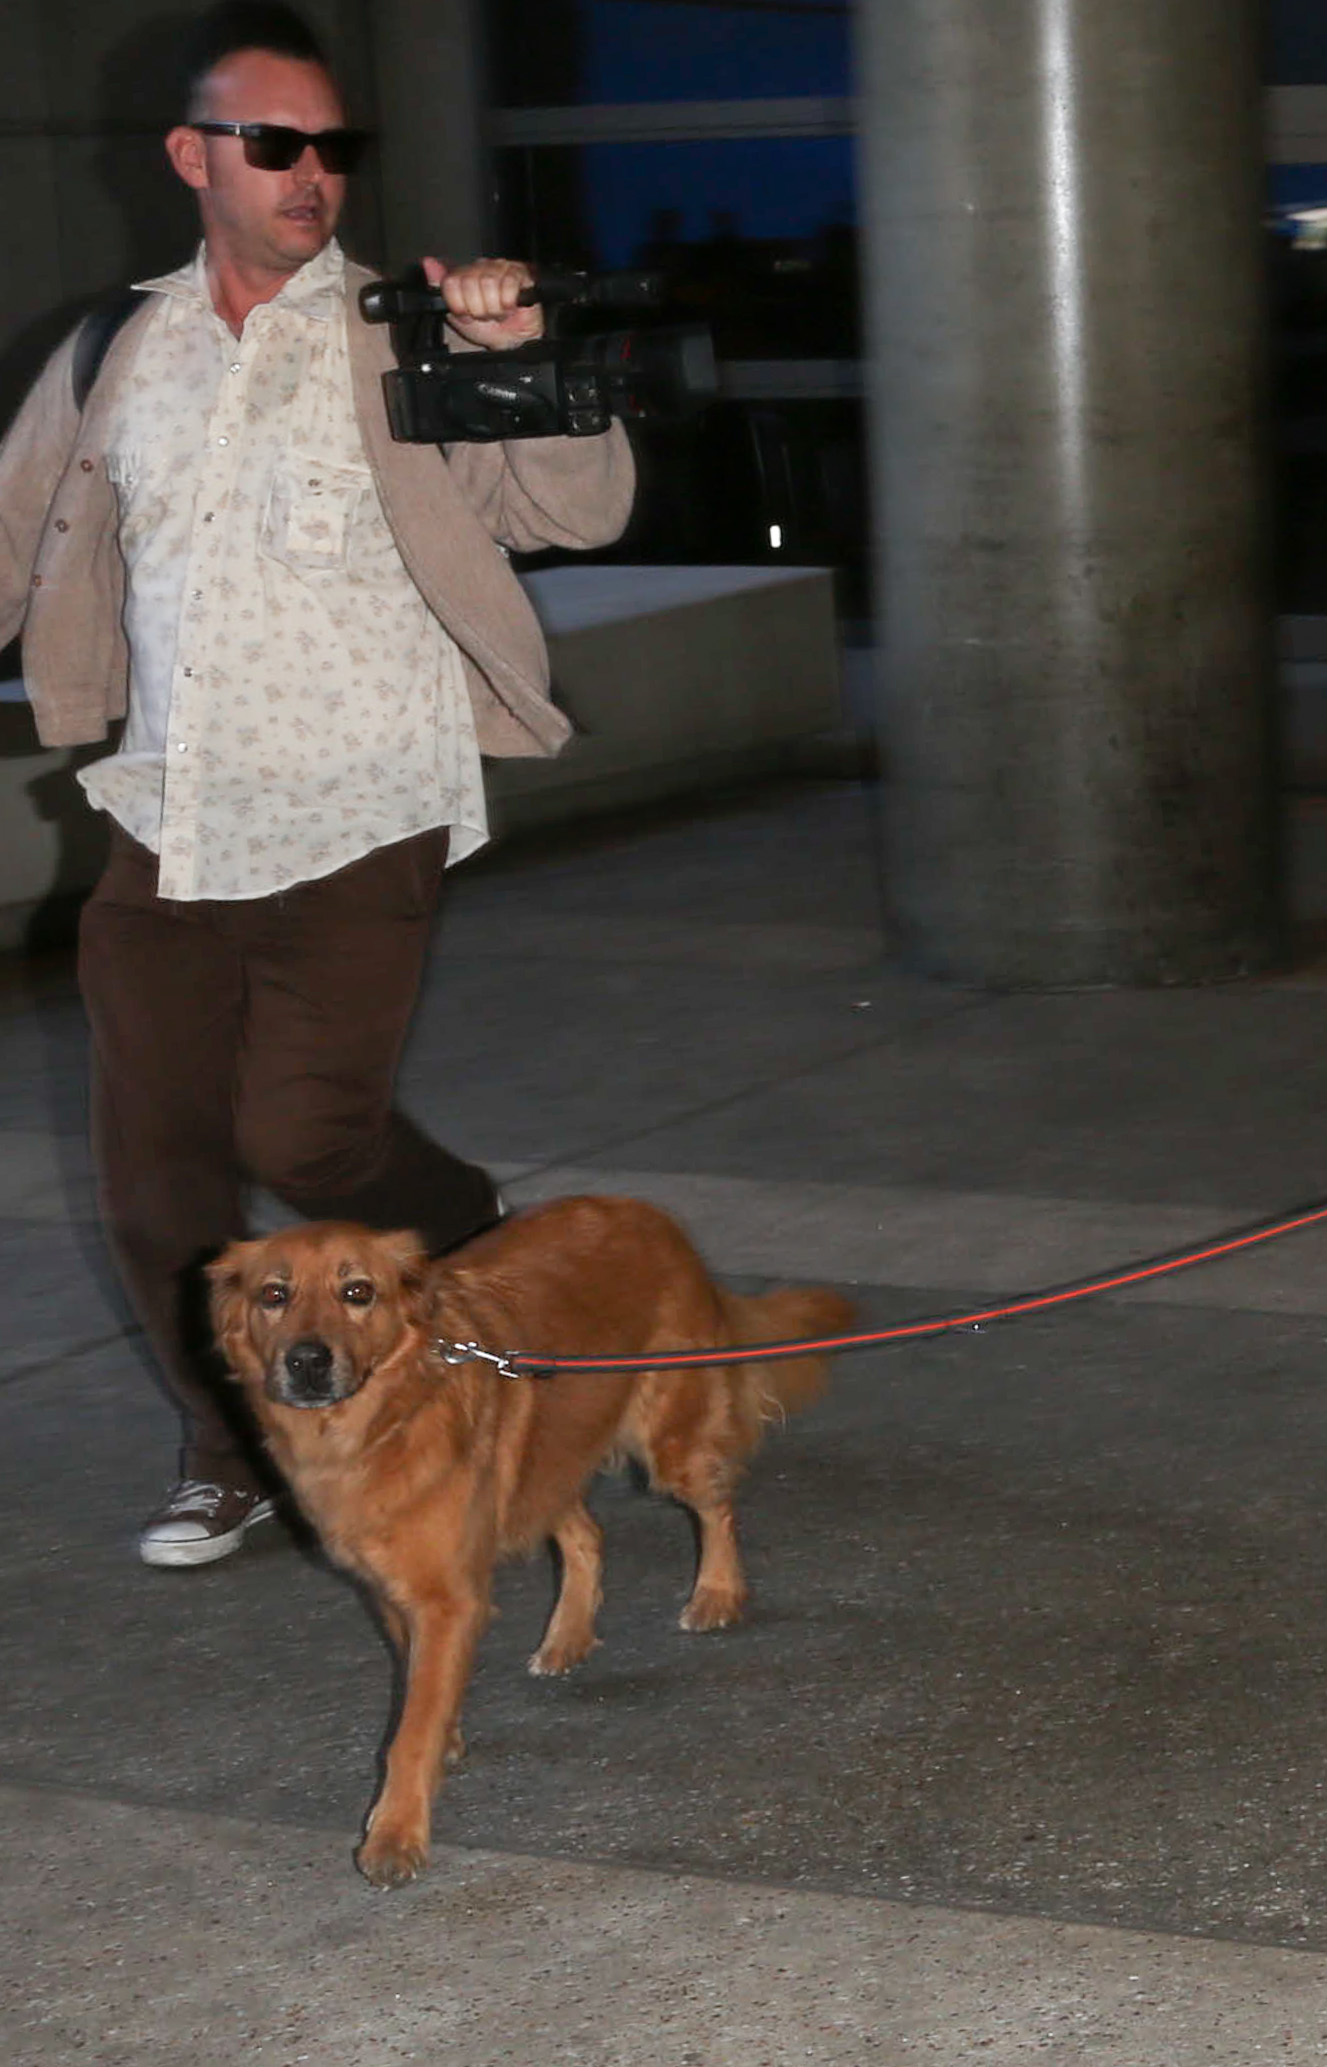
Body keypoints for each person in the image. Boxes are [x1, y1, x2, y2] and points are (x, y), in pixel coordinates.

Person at [0, 1, 633, 1566]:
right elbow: (15, 539)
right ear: (191, 156)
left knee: (313, 1139)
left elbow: (581, 511)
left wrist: (520, 355)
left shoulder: (399, 334)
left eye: (330, 148)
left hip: (361, 805)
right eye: (273, 144)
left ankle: (495, 1260)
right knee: (157, 1182)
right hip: (169, 808)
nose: (309, 175)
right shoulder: (116, 348)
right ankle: (235, 1452)